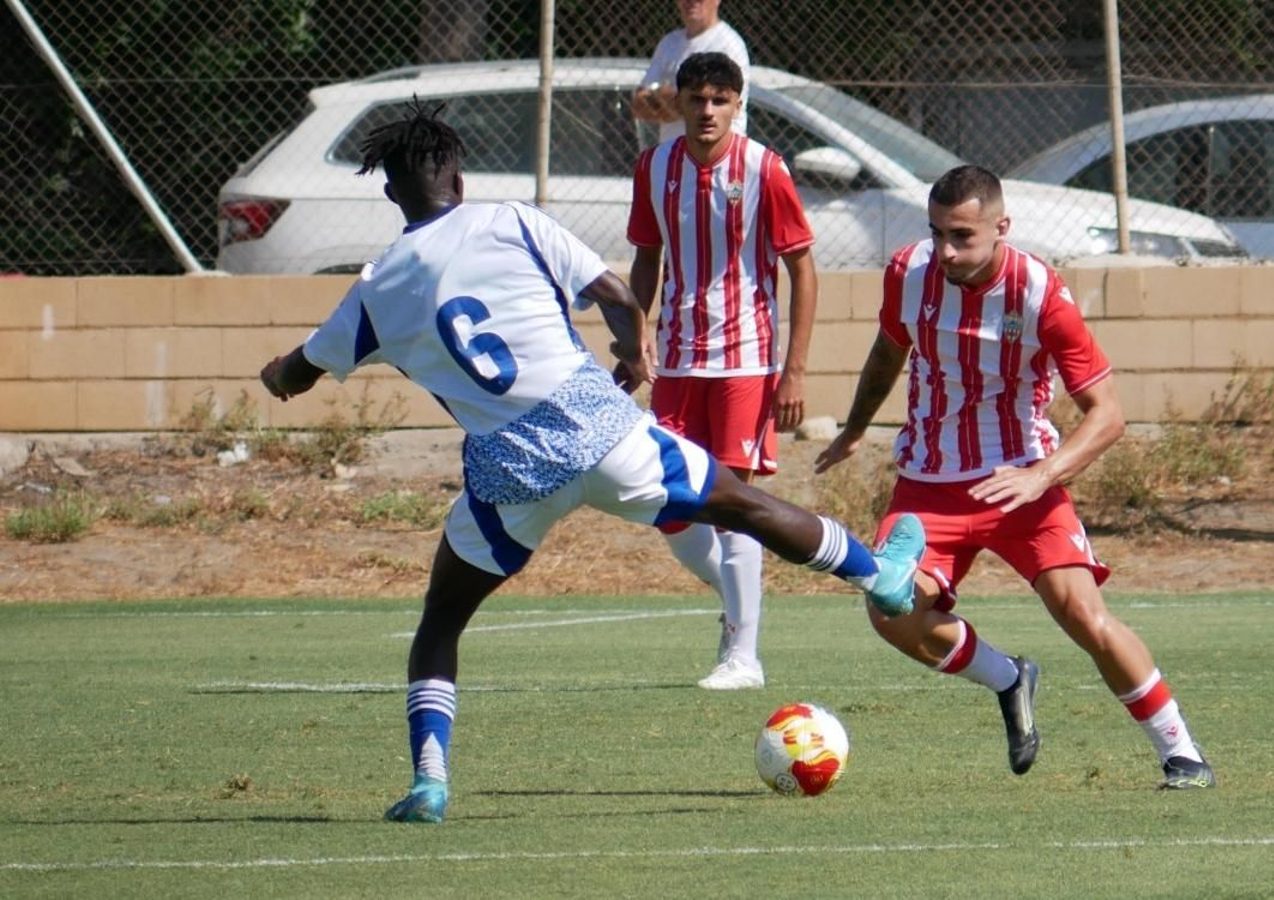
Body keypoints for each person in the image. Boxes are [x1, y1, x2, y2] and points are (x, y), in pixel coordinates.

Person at [257, 99, 922, 823]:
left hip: (511, 474)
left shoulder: (376, 290)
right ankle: (877, 576)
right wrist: (635, 352)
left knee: (441, 623)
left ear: (391, 193)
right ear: (461, 178)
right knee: (743, 505)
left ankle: (430, 782)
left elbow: (298, 372)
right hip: (597, 430)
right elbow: (611, 292)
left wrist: (275, 374)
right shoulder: (511, 219)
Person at [813, 165, 1215, 790]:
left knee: (1084, 614)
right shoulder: (908, 273)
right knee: (889, 608)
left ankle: (1181, 753)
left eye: (963, 236)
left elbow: (1108, 415)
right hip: (928, 482)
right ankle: (1007, 678)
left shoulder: (1039, 293)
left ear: (1002, 228)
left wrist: (1040, 477)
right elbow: (890, 349)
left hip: (1020, 480)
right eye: (938, 232)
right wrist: (856, 426)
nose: (946, 250)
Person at [627, 52, 817, 691]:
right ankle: (736, 598)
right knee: (668, 502)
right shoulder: (654, 168)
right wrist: (635, 337)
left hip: (745, 359)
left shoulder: (765, 168)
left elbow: (803, 269)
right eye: (696, 99)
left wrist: (794, 370)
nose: (707, 111)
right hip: (677, 362)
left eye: (720, 100)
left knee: (734, 503)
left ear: (738, 105)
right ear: (678, 103)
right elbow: (646, 259)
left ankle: (744, 656)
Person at [631, 0, 749, 146]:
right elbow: (638, 105)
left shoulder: (728, 45)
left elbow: (713, 107)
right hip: (674, 157)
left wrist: (659, 100)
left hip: (716, 158)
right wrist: (678, 102)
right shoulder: (668, 43)